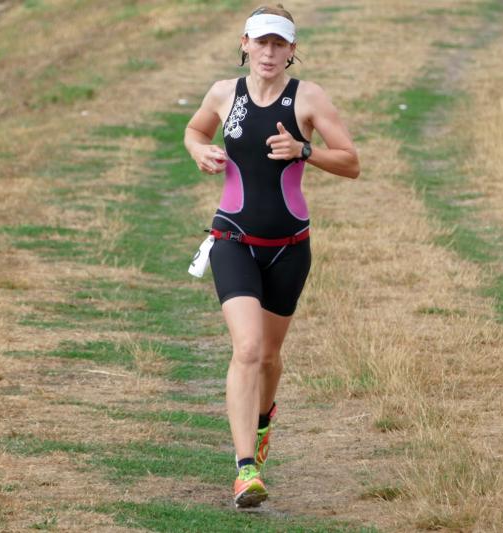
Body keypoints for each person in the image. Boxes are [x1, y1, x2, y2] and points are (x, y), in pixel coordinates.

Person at [183, 4, 359, 508]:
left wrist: (305, 151)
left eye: (279, 44)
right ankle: (245, 470)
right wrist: (199, 150)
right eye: (261, 41)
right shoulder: (224, 93)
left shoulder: (309, 98)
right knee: (247, 349)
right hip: (233, 240)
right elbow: (194, 131)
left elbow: (351, 162)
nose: (269, 52)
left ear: (292, 50)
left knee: (269, 357)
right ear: (245, 43)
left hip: (289, 249)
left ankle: (262, 423)